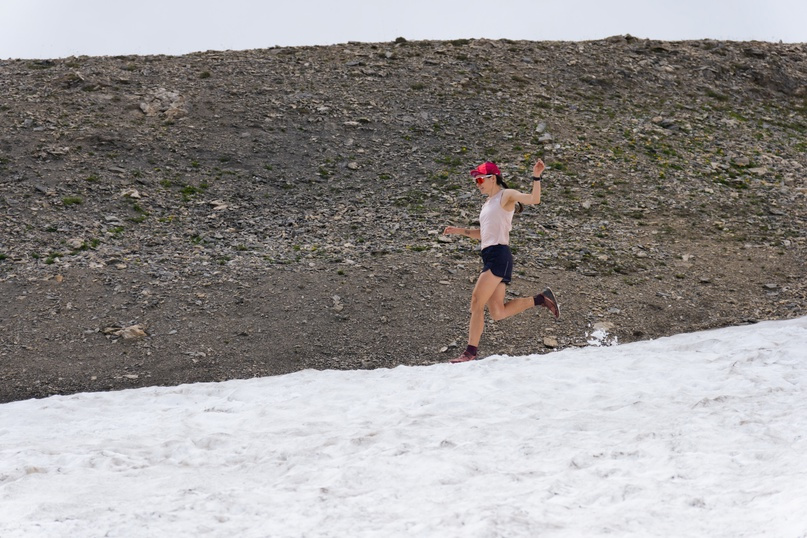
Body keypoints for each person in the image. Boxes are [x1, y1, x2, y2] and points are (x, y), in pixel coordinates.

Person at [443, 160, 559, 363]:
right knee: (497, 312)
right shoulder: (488, 204)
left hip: (499, 255)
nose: (477, 183)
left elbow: (534, 198)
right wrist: (459, 231)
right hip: (490, 255)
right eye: (475, 181)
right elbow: (483, 233)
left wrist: (536, 176)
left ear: (493, 178)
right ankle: (542, 299)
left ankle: (470, 352)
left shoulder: (505, 196)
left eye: (480, 179)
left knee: (476, 301)